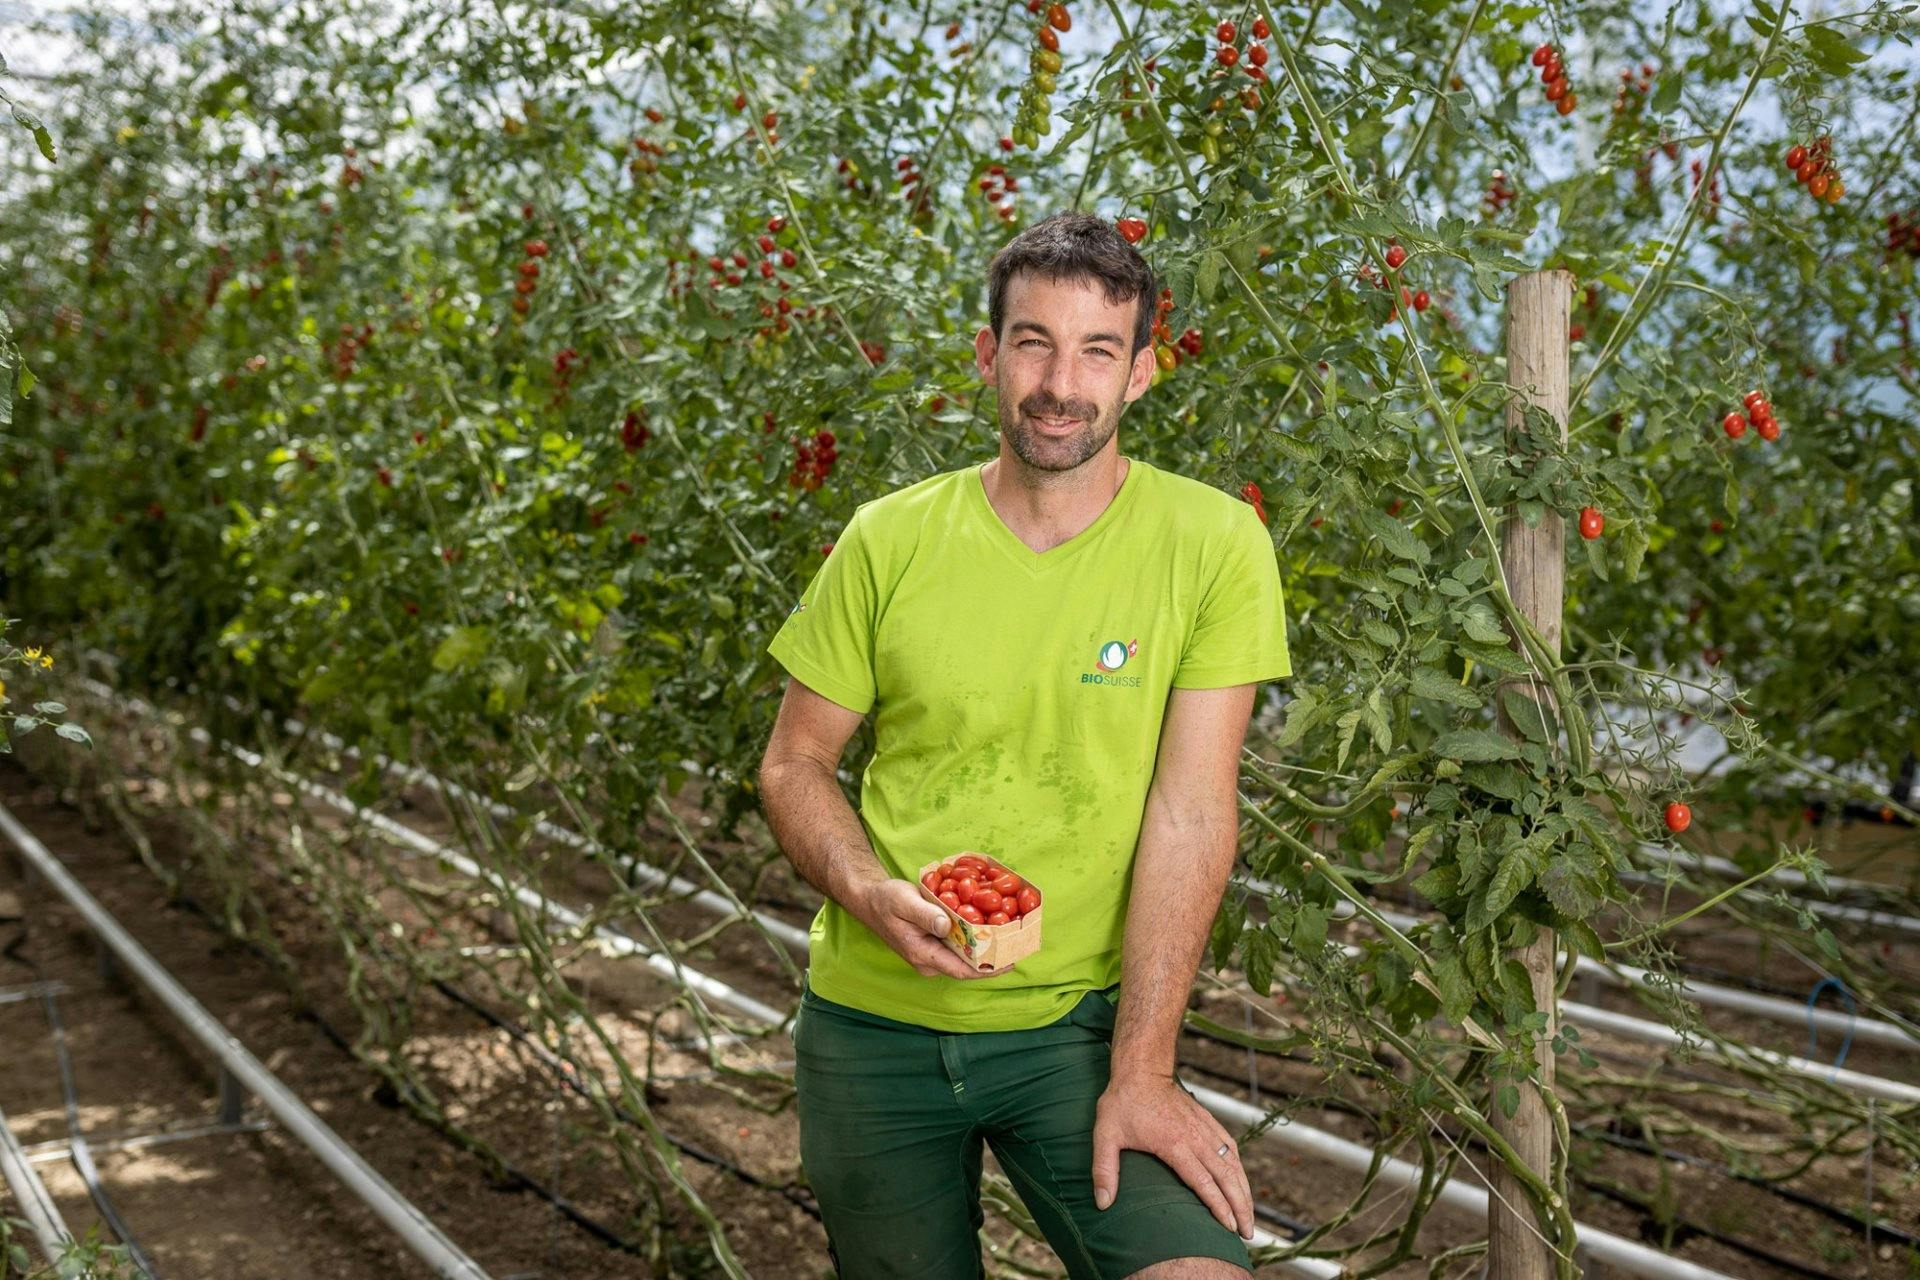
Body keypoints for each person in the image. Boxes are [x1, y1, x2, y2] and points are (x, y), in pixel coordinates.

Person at [757, 210, 1292, 1279]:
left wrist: (1142, 1068)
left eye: (1099, 349)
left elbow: (1190, 811)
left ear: (1142, 372)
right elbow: (793, 761)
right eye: (1034, 341)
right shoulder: (890, 536)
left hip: (1072, 1030)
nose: (1062, 381)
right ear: (988, 355)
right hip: (873, 1026)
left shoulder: (1214, 543)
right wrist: (868, 890)